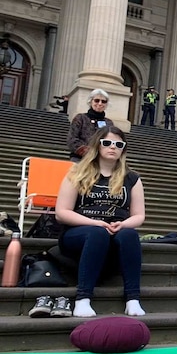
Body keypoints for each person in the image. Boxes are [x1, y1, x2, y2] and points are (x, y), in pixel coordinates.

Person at [55, 126, 146, 318]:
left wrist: (123, 224)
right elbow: (61, 212)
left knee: (129, 234)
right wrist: (94, 222)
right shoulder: (77, 173)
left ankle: (133, 299)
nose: (113, 147)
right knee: (97, 233)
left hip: (115, 231)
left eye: (118, 144)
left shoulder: (132, 178)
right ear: (97, 145)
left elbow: (138, 216)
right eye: (107, 143)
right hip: (79, 233)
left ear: (123, 149)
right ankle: (83, 299)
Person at [67, 89, 114, 162]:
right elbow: (72, 139)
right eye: (96, 100)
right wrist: (89, 152)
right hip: (79, 159)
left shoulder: (109, 123)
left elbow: (111, 141)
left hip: (100, 161)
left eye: (103, 101)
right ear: (90, 101)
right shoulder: (80, 118)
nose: (100, 103)